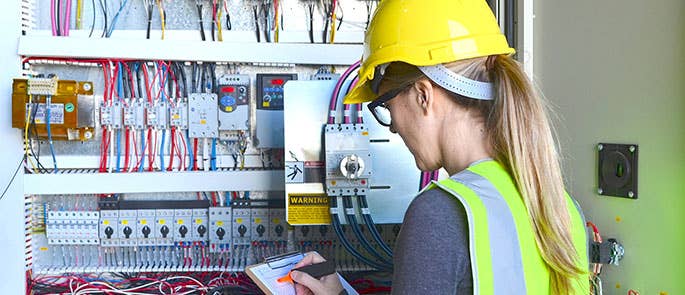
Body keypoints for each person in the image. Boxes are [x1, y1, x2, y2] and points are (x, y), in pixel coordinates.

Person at [290, 0, 590, 294]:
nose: (393, 125)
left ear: (423, 95)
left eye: (386, 105)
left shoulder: (439, 214)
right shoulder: (560, 206)